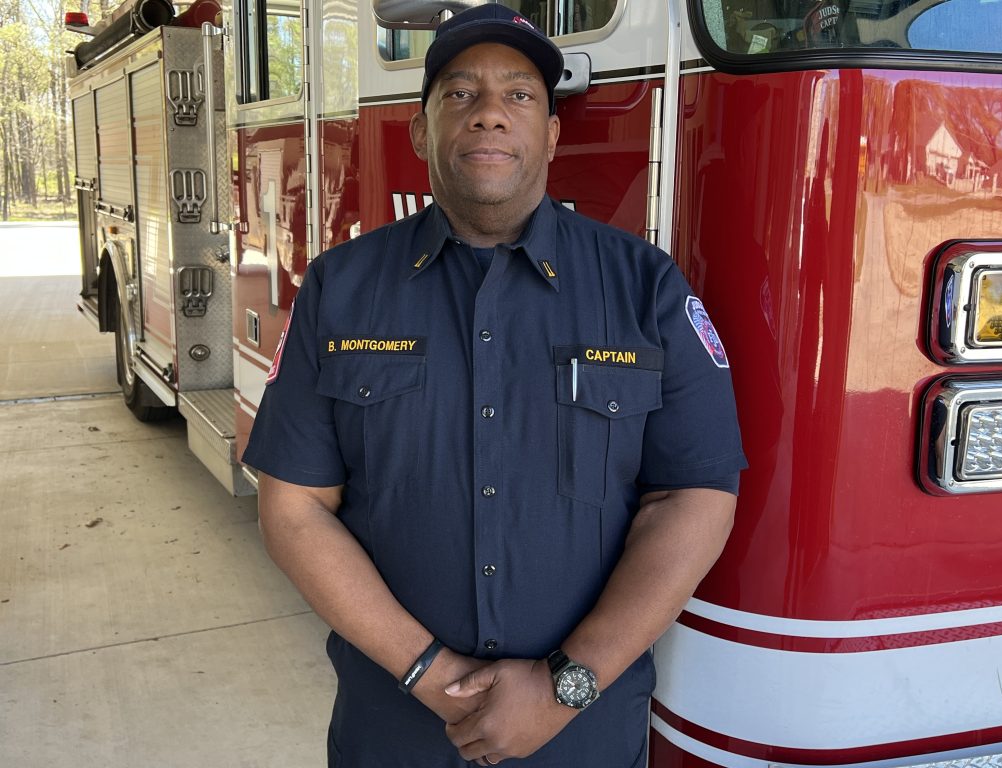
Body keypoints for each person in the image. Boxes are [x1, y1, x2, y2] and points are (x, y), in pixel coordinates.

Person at [242, 4, 746, 767]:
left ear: (550, 133)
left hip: (583, 740)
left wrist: (564, 688)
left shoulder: (645, 289)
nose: (488, 115)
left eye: (519, 95)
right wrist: (428, 672)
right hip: (395, 736)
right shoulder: (340, 289)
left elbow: (695, 500)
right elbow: (293, 507)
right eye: (458, 94)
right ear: (420, 132)